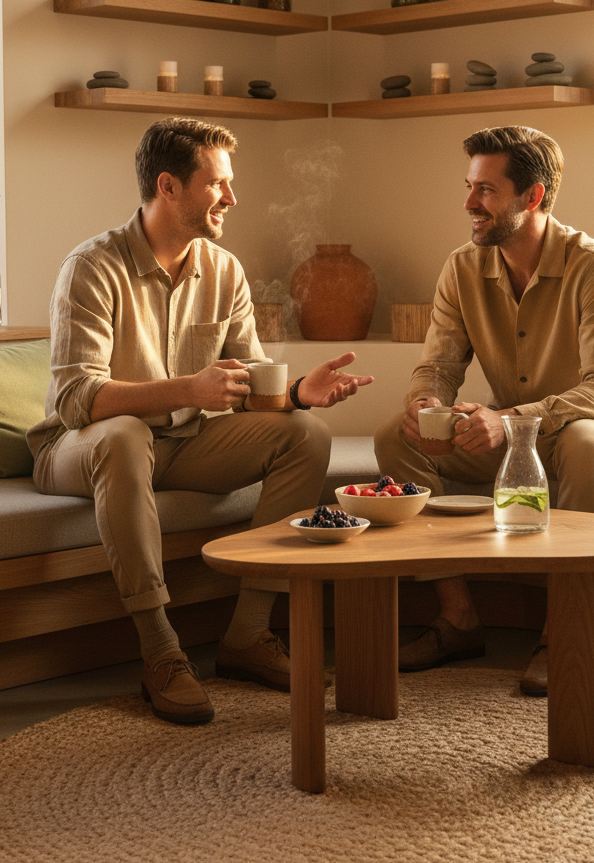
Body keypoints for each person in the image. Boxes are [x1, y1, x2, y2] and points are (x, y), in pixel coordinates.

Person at [28, 117, 373, 726]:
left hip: (182, 442)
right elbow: (77, 398)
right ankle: (161, 650)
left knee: (304, 436)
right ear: (169, 186)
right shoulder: (91, 267)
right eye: (218, 184)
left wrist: (295, 393)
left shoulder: (224, 270)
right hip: (79, 448)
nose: (231, 199)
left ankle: (246, 636)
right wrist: (189, 388)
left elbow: (244, 389)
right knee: (126, 434)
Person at [374, 124, 594, 695]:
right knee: (395, 438)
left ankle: (568, 634)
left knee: (585, 443)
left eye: (487, 190)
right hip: (518, 437)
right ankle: (457, 619)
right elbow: (439, 367)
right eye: (470, 186)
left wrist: (511, 420)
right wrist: (425, 404)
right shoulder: (461, 268)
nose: (470, 203)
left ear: (534, 196)